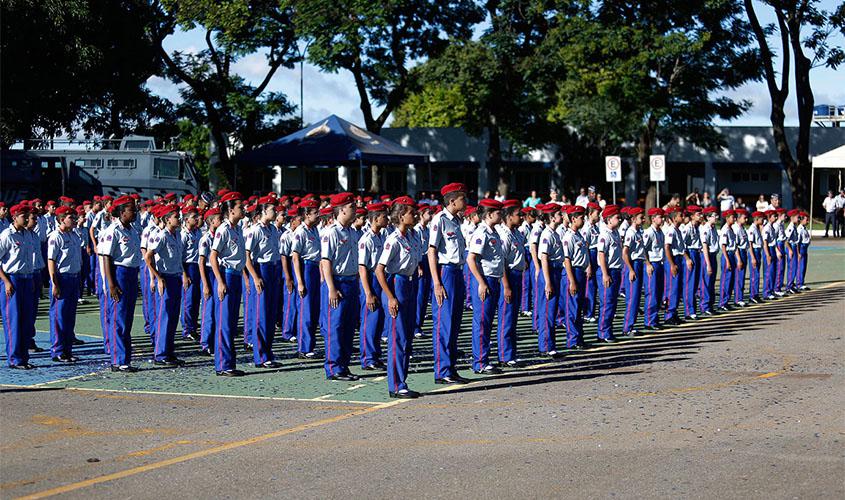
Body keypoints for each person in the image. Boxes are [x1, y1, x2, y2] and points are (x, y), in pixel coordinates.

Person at [375, 196, 422, 398]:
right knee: (397, 337)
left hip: (410, 283)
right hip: (397, 284)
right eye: (412, 212)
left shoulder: (411, 236)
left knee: (407, 337)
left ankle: (402, 380)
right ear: (402, 216)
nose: (416, 215)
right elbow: (379, 270)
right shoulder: (393, 240)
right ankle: (396, 384)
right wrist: (390, 297)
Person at [428, 182, 470, 384]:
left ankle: (450, 368)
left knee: (454, 324)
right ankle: (442, 371)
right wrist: (436, 282)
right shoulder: (440, 220)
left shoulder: (456, 221)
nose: (466, 200)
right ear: (452, 200)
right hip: (445, 272)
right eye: (463, 197)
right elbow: (432, 251)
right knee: (444, 323)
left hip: (457, 272)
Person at [320, 192, 361, 381]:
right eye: (352, 206)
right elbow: (326, 262)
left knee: (349, 326)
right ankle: (334, 367)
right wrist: (331, 288)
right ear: (342, 209)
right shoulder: (331, 232)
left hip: (352, 282)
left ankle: (343, 365)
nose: (355, 210)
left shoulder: (353, 232)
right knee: (334, 326)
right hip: (337, 283)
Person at [100, 196, 141, 372]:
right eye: (132, 209)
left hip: (131, 274)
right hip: (119, 273)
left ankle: (125, 358)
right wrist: (111, 284)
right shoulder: (113, 231)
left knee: (127, 318)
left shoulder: (131, 230)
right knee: (119, 318)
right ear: (122, 211)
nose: (135, 213)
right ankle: (118, 360)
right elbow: (106, 258)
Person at [467, 198, 507, 375]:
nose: (501, 215)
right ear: (489, 214)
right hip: (485, 280)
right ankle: (480, 362)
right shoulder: (481, 232)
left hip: (494, 279)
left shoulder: (494, 232)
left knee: (488, 321)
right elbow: (471, 259)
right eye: (498, 212)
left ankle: (485, 358)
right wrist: (481, 282)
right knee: (482, 322)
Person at [209, 191, 248, 377]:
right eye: (240, 207)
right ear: (231, 210)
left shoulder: (238, 229)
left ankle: (229, 362)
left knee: (231, 322)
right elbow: (213, 256)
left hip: (236, 274)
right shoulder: (223, 230)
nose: (244, 209)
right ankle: (223, 365)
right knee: (224, 322)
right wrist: (220, 281)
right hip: (227, 275)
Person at [144, 204, 187, 367]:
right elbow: (149, 257)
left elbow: (178, 259)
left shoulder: (176, 235)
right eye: (175, 216)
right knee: (165, 316)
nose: (179, 218)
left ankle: (169, 351)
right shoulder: (161, 236)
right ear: (167, 219)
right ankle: (160, 354)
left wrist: (182, 274)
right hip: (166, 278)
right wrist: (158, 278)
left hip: (175, 277)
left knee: (173, 317)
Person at [244, 197, 282, 368]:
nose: (276, 212)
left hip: (274, 269)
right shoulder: (255, 230)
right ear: (264, 211)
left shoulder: (273, 229)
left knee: (271, 313)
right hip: (262, 270)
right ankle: (260, 355)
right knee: (261, 314)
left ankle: (268, 352)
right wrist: (255, 276)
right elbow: (246, 256)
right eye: (273, 209)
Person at [0, 204, 37, 369]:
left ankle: (24, 357)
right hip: (13, 280)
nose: (28, 219)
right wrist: (6, 281)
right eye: (24, 216)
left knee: (27, 320)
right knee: (13, 320)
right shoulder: (7, 235)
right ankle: (15, 359)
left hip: (27, 278)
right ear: (14, 217)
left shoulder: (28, 234)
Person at [47, 206, 82, 363]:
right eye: (71, 218)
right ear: (62, 219)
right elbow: (51, 261)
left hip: (74, 277)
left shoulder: (74, 235)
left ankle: (67, 349)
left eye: (74, 217)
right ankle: (58, 350)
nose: (74, 220)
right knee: (58, 316)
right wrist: (55, 283)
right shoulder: (56, 236)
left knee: (69, 316)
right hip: (62, 278)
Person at [358, 202, 388, 371]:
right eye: (384, 216)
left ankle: (375, 355)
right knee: (370, 320)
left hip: (380, 278)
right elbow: (362, 267)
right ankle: (367, 357)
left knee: (379, 321)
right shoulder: (366, 239)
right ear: (376, 219)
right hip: (370, 280)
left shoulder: (382, 236)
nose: (387, 219)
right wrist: (368, 292)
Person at [290, 198, 321, 359]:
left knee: (314, 310)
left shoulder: (314, 230)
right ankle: (304, 347)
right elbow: (295, 257)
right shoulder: (300, 232)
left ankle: (310, 345)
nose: (318, 215)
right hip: (306, 268)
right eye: (315, 212)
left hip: (315, 268)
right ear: (307, 215)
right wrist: (300, 282)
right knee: (306, 310)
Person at [497, 200, 527, 365]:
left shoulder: (516, 233)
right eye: (518, 214)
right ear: (508, 217)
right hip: (508, 276)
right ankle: (505, 355)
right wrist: (506, 285)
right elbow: (501, 262)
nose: (521, 217)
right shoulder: (505, 235)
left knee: (513, 316)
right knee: (506, 316)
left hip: (517, 275)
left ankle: (511, 353)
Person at [536, 203, 564, 356]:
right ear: (552, 217)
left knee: (552, 310)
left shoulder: (555, 233)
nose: (561, 216)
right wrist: (547, 282)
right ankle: (546, 346)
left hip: (556, 270)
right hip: (550, 272)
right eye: (559, 214)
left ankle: (550, 344)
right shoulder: (546, 234)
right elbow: (544, 259)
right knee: (547, 310)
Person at [562, 205, 591, 346]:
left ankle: (579, 337)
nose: (583, 220)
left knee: (579, 307)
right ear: (573, 219)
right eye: (581, 218)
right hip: (573, 272)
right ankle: (573, 340)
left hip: (581, 272)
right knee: (572, 308)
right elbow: (567, 259)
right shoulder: (568, 237)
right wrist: (572, 281)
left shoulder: (579, 235)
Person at [595, 206, 623, 342]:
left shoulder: (615, 232)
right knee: (607, 303)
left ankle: (608, 330)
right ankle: (603, 332)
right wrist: (605, 274)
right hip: (608, 270)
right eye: (617, 217)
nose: (619, 219)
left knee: (612, 303)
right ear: (609, 219)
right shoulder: (605, 234)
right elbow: (601, 255)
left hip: (616, 270)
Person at [198, 208, 221, 356]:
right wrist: (205, 284)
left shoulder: (220, 236)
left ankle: (214, 341)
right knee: (209, 311)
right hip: (209, 273)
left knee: (218, 309)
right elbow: (201, 262)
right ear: (212, 221)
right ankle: (206, 343)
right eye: (219, 218)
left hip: (218, 271)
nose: (221, 221)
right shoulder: (205, 239)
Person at [662, 206, 690, 325]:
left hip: (678, 259)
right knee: (672, 289)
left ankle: (674, 312)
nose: (683, 217)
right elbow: (667, 247)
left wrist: (686, 258)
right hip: (672, 260)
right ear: (674, 218)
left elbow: (680, 248)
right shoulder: (671, 230)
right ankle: (669, 315)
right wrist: (672, 264)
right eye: (680, 215)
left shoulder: (677, 230)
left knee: (677, 288)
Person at [180, 206, 202, 341]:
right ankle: (187, 329)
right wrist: (184, 274)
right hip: (188, 267)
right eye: (194, 217)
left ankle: (193, 326)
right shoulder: (183, 234)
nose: (198, 219)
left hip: (198, 266)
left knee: (196, 299)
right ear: (187, 220)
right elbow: (180, 257)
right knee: (188, 300)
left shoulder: (197, 232)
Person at [642, 208, 665, 331]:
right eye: (659, 217)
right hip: (653, 264)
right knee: (652, 293)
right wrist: (647, 264)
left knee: (659, 292)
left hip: (659, 263)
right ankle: (649, 320)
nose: (662, 219)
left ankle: (655, 318)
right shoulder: (649, 232)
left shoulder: (660, 232)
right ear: (653, 218)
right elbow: (643, 249)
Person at [681, 205, 702, 320]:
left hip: (696, 253)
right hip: (690, 253)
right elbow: (682, 245)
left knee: (694, 283)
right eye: (698, 214)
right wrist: (687, 258)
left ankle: (692, 309)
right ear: (692, 216)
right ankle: (689, 311)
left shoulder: (696, 227)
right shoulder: (687, 228)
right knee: (690, 283)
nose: (701, 216)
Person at [698, 207, 720, 315]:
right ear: (708, 217)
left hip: (713, 255)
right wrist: (708, 264)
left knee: (711, 282)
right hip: (707, 256)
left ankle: (710, 305)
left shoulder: (713, 228)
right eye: (714, 215)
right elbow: (705, 246)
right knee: (706, 282)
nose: (716, 217)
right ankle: (705, 306)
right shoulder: (705, 229)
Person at [583, 202, 601, 323]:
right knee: (590, 286)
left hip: (596, 254)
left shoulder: (596, 227)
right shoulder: (586, 228)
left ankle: (591, 311)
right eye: (597, 213)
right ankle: (588, 313)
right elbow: (586, 248)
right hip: (590, 255)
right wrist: (588, 265)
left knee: (594, 286)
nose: (599, 215)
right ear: (590, 214)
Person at [717, 210, 738, 312]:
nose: (734, 219)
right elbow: (723, 246)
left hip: (732, 255)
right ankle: (722, 302)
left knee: (731, 280)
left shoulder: (731, 229)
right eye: (732, 217)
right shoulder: (725, 229)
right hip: (727, 256)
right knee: (726, 280)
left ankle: (726, 301)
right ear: (727, 218)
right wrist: (727, 260)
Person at [746, 211, 765, 303]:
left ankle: (755, 294)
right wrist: (753, 257)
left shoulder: (757, 228)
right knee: (754, 274)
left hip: (758, 251)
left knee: (756, 274)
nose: (763, 220)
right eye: (762, 218)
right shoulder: (752, 229)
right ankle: (753, 295)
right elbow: (750, 244)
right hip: (754, 252)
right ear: (757, 219)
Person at [733, 209, 750, 307]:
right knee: (739, 277)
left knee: (742, 276)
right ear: (738, 218)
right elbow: (735, 245)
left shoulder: (742, 228)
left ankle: (740, 297)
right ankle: (738, 298)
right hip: (739, 252)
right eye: (744, 218)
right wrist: (738, 259)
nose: (746, 219)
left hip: (744, 252)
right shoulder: (736, 229)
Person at [761, 210, 778, 300]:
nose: (776, 218)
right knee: (768, 272)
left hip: (772, 249)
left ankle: (771, 290)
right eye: (774, 216)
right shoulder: (767, 228)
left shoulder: (772, 227)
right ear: (769, 217)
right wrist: (767, 255)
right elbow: (765, 242)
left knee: (773, 272)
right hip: (768, 250)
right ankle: (766, 292)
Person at [783, 209, 801, 293]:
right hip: (791, 247)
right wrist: (790, 250)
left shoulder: (794, 227)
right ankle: (789, 286)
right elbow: (786, 240)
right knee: (792, 267)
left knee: (795, 267)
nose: (799, 219)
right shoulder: (790, 228)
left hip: (794, 247)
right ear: (792, 217)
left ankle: (791, 284)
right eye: (798, 217)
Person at [796, 212, 811, 290]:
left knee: (804, 266)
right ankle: (799, 283)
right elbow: (797, 242)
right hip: (801, 248)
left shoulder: (804, 229)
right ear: (801, 220)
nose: (808, 221)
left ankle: (802, 281)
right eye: (806, 219)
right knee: (801, 266)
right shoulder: (799, 229)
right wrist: (798, 253)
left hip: (805, 248)